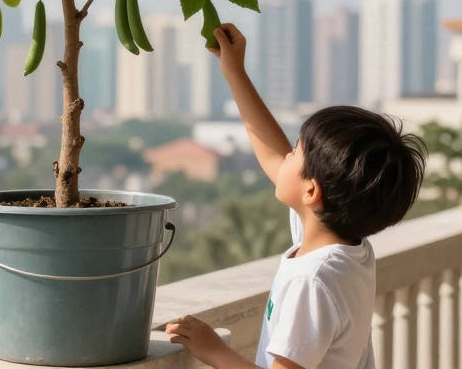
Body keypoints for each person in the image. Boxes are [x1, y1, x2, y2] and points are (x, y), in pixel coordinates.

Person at [166, 23, 427, 369]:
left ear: (311, 191)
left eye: (296, 152)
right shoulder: (344, 248)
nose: (285, 155)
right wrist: (235, 74)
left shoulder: (313, 280)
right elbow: (273, 154)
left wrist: (213, 349)